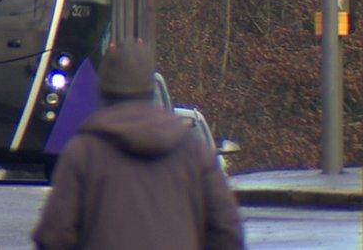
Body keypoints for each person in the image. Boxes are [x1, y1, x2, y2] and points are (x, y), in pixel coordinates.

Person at [31, 40, 245, 250]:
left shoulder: (84, 152)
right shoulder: (192, 151)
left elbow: (54, 234)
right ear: (151, 89)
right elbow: (226, 232)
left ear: (103, 89)